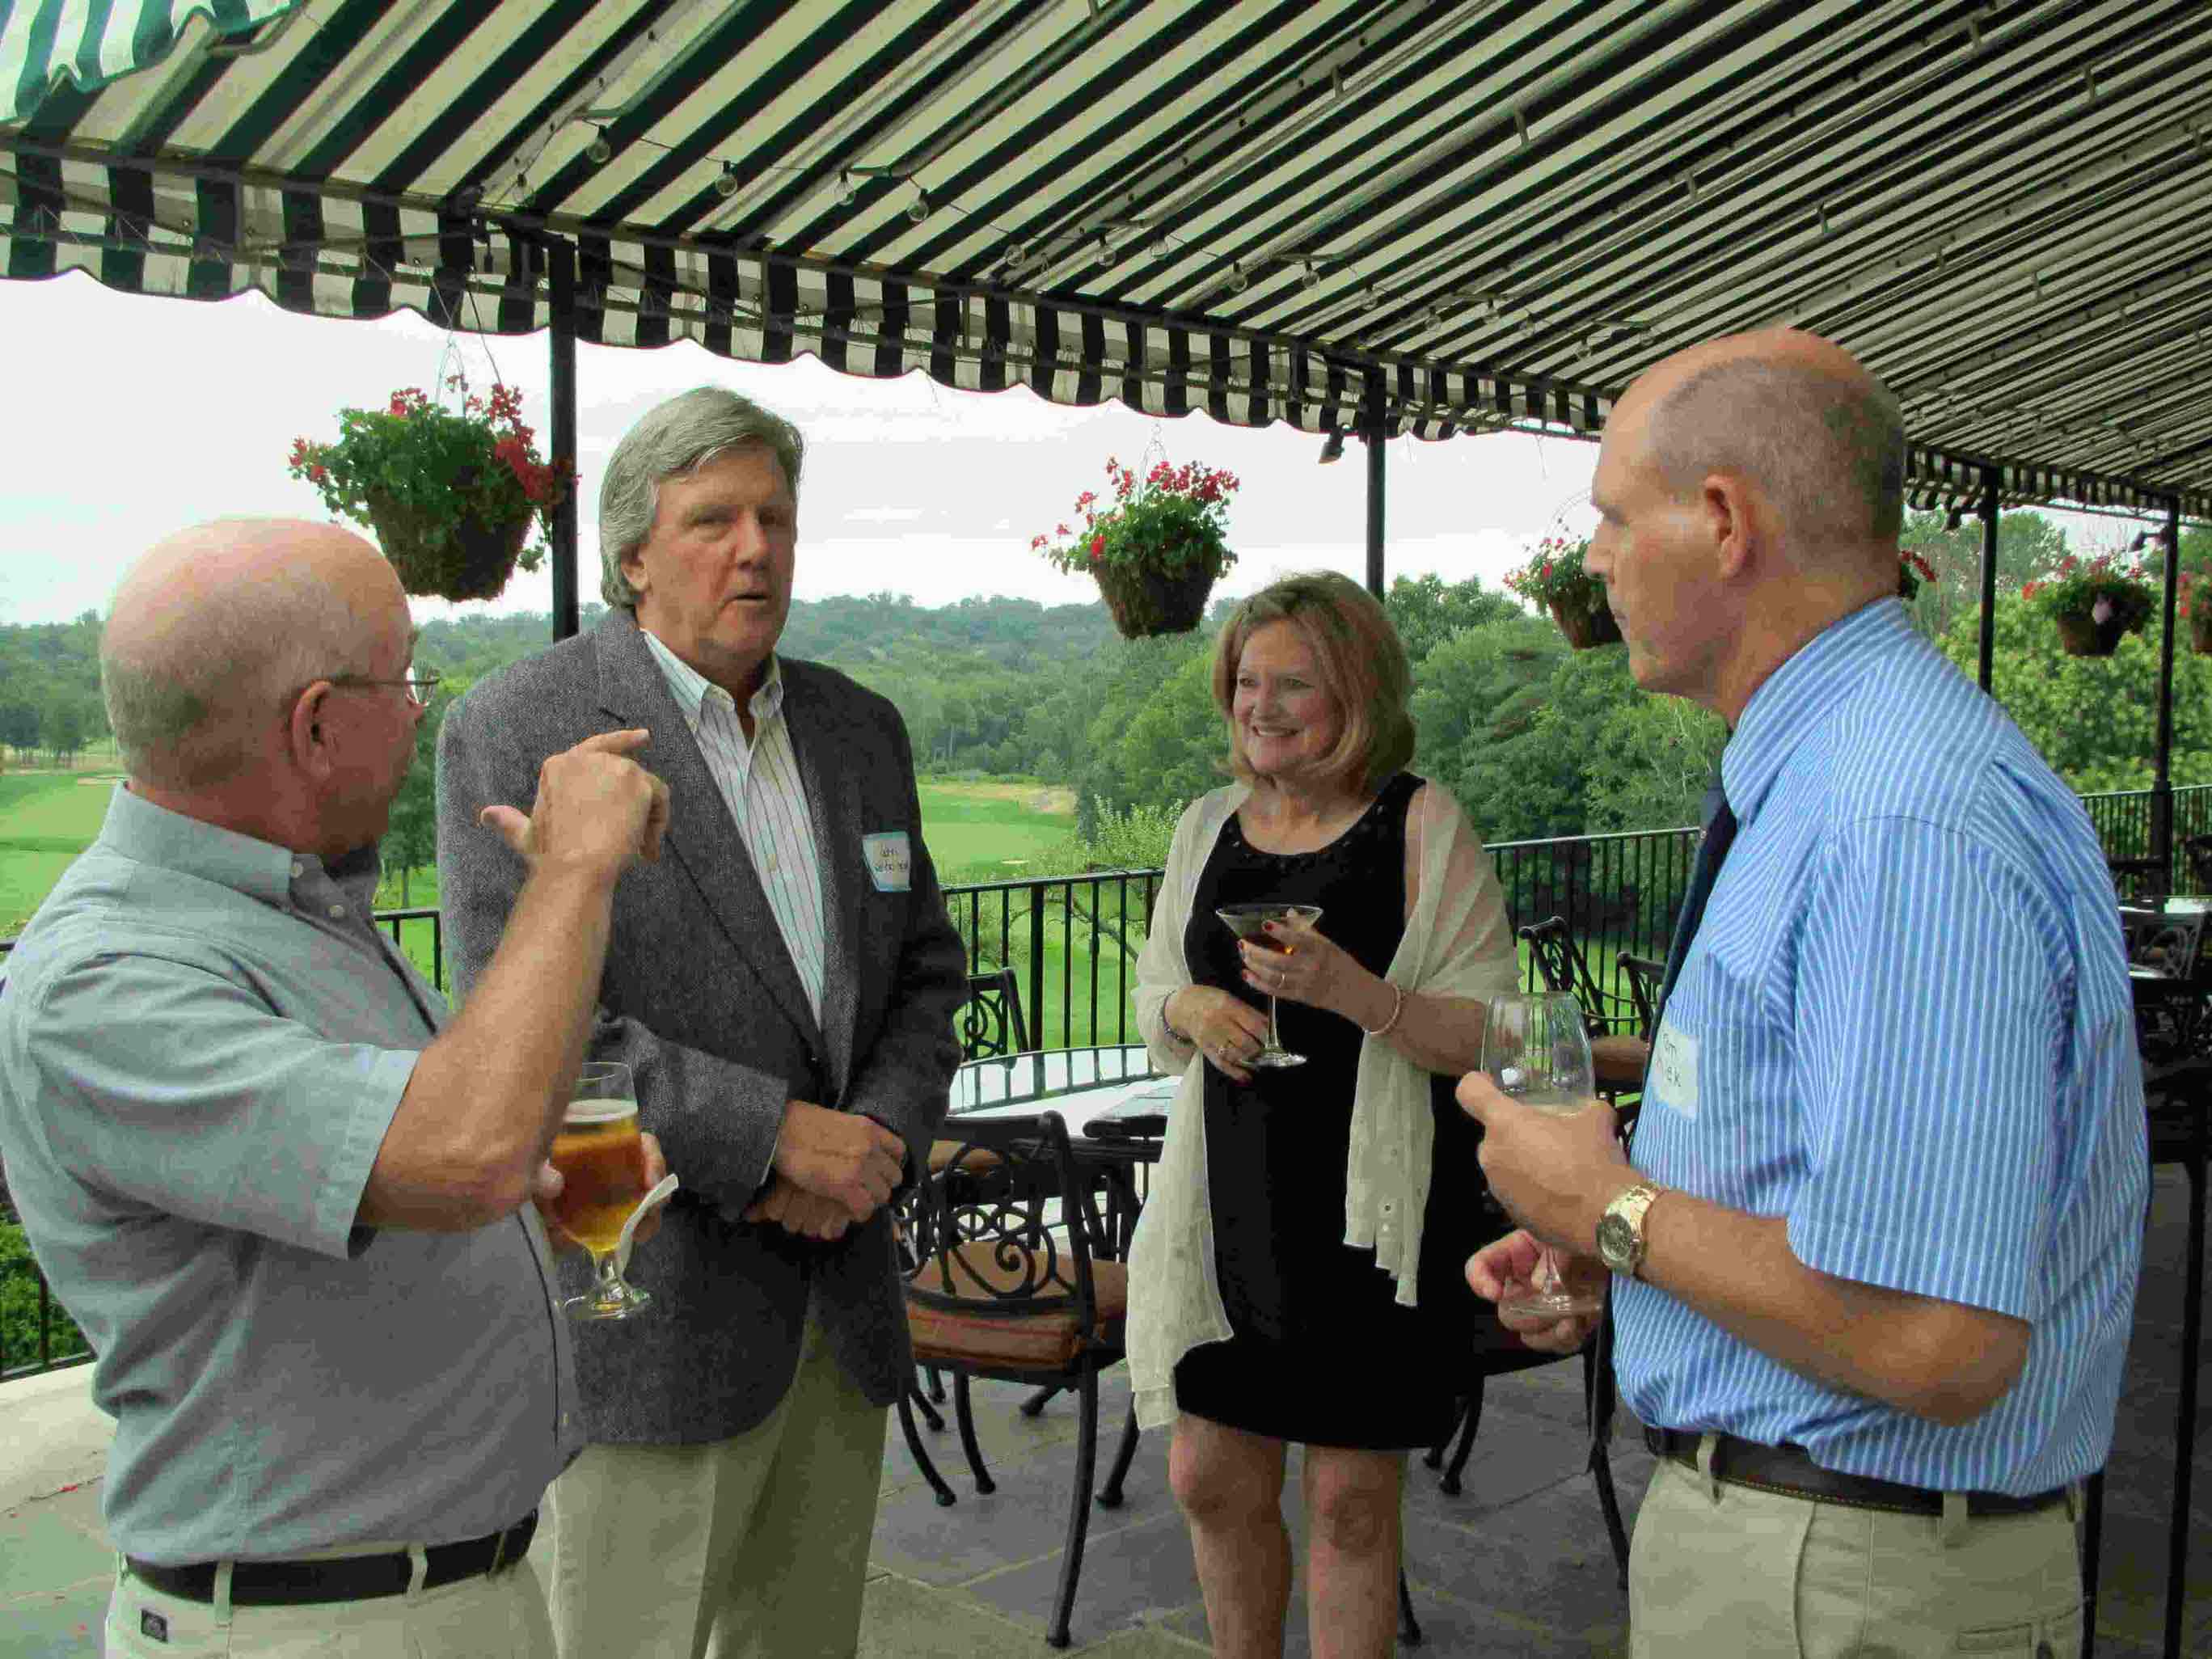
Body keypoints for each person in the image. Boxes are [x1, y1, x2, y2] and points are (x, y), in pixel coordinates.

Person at [1461, 329, 2147, 1657]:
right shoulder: (1848, 781)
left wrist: (1606, 1204)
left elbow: (1936, 1337)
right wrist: (1625, 1268)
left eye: (1610, 516)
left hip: (1844, 1581)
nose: (1591, 559)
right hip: (1826, 1556)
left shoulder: (1895, 819)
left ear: (1723, 522)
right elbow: (1827, 1203)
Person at [0, 519, 672, 1658]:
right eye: (404, 677)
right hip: (312, 1626)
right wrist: (574, 871)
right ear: (315, 725)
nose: (419, 710)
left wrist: (526, 1215)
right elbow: (469, 1150)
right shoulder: (102, 981)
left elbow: (439, 1166)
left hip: (440, 1597)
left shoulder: (301, 915)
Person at [437, 385, 967, 1659]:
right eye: (714, 521)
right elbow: (532, 1033)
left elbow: (928, 974)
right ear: (633, 556)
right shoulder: (517, 731)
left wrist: (868, 1150)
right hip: (652, 1312)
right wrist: (776, 1140)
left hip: (838, 1306)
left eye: (776, 518)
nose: (757, 550)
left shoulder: (858, 729)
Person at [1126, 570, 1522, 1659]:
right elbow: (1155, 989)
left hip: (1368, 1222)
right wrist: (1196, 1005)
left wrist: (1357, 995)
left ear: (1357, 690)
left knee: (1350, 1499)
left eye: (1292, 681)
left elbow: (1496, 1030)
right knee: (1208, 1476)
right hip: (1228, 1209)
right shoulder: (1205, 826)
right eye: (1247, 681)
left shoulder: (1420, 824)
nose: (1261, 703)